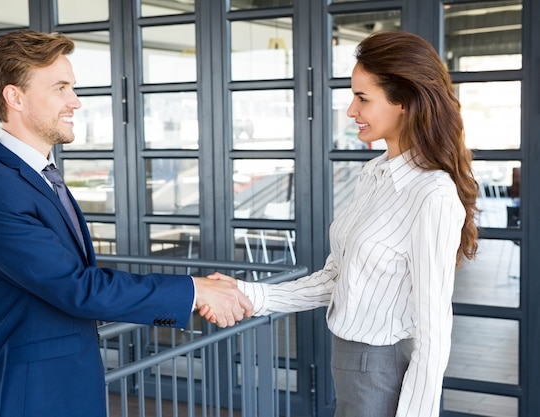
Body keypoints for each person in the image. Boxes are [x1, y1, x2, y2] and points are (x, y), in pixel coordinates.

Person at [0, 29, 252, 417]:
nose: (75, 101)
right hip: (24, 399)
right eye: (60, 88)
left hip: (67, 390)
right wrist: (194, 291)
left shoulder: (40, 176)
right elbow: (76, 287)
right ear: (14, 97)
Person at [202, 30, 479, 417]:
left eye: (362, 98)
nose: (351, 111)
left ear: (404, 102)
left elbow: (434, 331)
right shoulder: (373, 174)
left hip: (381, 370)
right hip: (350, 364)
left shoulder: (432, 193)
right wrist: (250, 294)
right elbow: (335, 279)